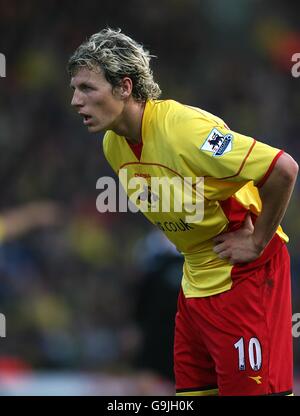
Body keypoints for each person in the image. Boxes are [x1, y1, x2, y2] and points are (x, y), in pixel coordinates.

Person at [68, 28, 298, 396]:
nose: (76, 101)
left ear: (125, 87)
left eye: (87, 88)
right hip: (194, 281)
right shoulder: (113, 145)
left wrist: (257, 241)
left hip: (245, 275)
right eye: (74, 89)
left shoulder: (185, 131)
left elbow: (283, 168)